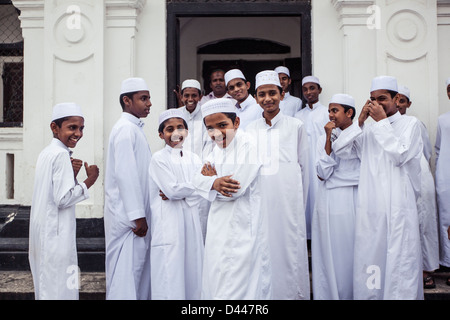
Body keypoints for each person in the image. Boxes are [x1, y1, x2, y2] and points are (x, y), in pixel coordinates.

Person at [335, 76, 424, 300]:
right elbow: (341, 150)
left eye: (383, 99)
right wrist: (360, 122)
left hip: (399, 205)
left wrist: (382, 122)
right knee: (372, 258)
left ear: (396, 99)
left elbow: (399, 154)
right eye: (373, 99)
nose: (377, 103)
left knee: (400, 259)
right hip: (371, 206)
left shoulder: (411, 124)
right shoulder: (368, 130)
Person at [193, 98, 272, 300]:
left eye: (222, 125)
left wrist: (210, 181)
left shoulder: (249, 145)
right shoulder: (215, 149)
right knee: (216, 280)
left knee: (238, 287)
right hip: (218, 228)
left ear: (236, 123)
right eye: (210, 128)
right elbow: (197, 179)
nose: (216, 133)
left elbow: (233, 190)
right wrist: (213, 182)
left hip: (241, 229)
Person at [246, 70, 309, 300]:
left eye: (272, 93)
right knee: (262, 254)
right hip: (260, 205)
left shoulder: (296, 126)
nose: (267, 99)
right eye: (262, 94)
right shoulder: (249, 130)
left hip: (288, 206)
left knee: (289, 255)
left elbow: (305, 170)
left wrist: (298, 207)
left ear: (282, 95)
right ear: (255, 98)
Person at [29, 102, 99, 300]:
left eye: (81, 128)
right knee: (59, 289)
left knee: (50, 287)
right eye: (72, 127)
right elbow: (62, 199)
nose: (78, 133)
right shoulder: (59, 155)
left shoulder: (47, 153)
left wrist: (73, 176)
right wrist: (89, 180)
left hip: (46, 233)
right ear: (54, 127)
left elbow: (54, 191)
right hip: (56, 236)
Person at [104, 77, 153, 300]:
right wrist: (138, 216)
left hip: (135, 216)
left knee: (136, 274)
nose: (149, 103)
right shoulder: (125, 130)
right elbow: (126, 176)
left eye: (149, 97)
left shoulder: (133, 128)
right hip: (129, 220)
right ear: (127, 101)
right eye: (143, 98)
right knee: (126, 276)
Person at [149, 108, 204, 300]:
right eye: (169, 129)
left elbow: (203, 191)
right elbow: (172, 190)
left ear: (186, 132)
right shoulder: (158, 159)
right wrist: (194, 187)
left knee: (193, 269)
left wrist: (182, 191)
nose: (175, 133)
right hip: (169, 222)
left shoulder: (195, 158)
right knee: (170, 271)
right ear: (161, 134)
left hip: (191, 221)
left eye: (180, 127)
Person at [311, 94, 360, 300]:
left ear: (349, 113)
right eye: (329, 110)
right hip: (328, 199)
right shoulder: (326, 135)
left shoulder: (361, 134)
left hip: (352, 199)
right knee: (330, 252)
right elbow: (322, 173)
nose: (330, 115)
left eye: (335, 110)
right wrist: (328, 140)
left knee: (349, 252)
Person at [397, 85, 440, 289]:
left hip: (419, 175)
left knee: (423, 222)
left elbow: (426, 152)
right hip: (398, 177)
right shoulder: (383, 125)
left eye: (402, 101)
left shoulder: (415, 123)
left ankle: (425, 269)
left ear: (408, 104)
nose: (398, 104)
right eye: (395, 99)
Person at [294, 75, 329, 239]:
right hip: (303, 163)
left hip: (320, 162)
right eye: (305, 89)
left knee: (318, 195)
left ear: (319, 90)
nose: (309, 92)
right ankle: (307, 237)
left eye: (312, 88)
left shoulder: (327, 113)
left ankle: (319, 235)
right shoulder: (298, 116)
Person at [436, 77, 450, 287]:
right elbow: (438, 150)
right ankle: (448, 265)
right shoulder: (443, 120)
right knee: (447, 219)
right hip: (445, 175)